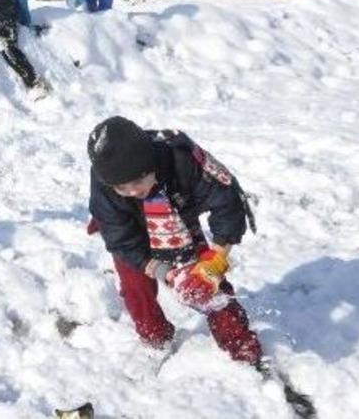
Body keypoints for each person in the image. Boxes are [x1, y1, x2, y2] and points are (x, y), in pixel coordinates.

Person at [86, 116, 262, 366]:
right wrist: (161, 270)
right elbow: (120, 239)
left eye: (137, 182)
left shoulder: (182, 160)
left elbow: (227, 202)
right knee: (136, 290)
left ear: (150, 166)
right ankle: (156, 337)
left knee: (206, 286)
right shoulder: (105, 186)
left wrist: (217, 258)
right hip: (131, 233)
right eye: (122, 188)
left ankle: (239, 343)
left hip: (176, 221)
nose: (133, 191)